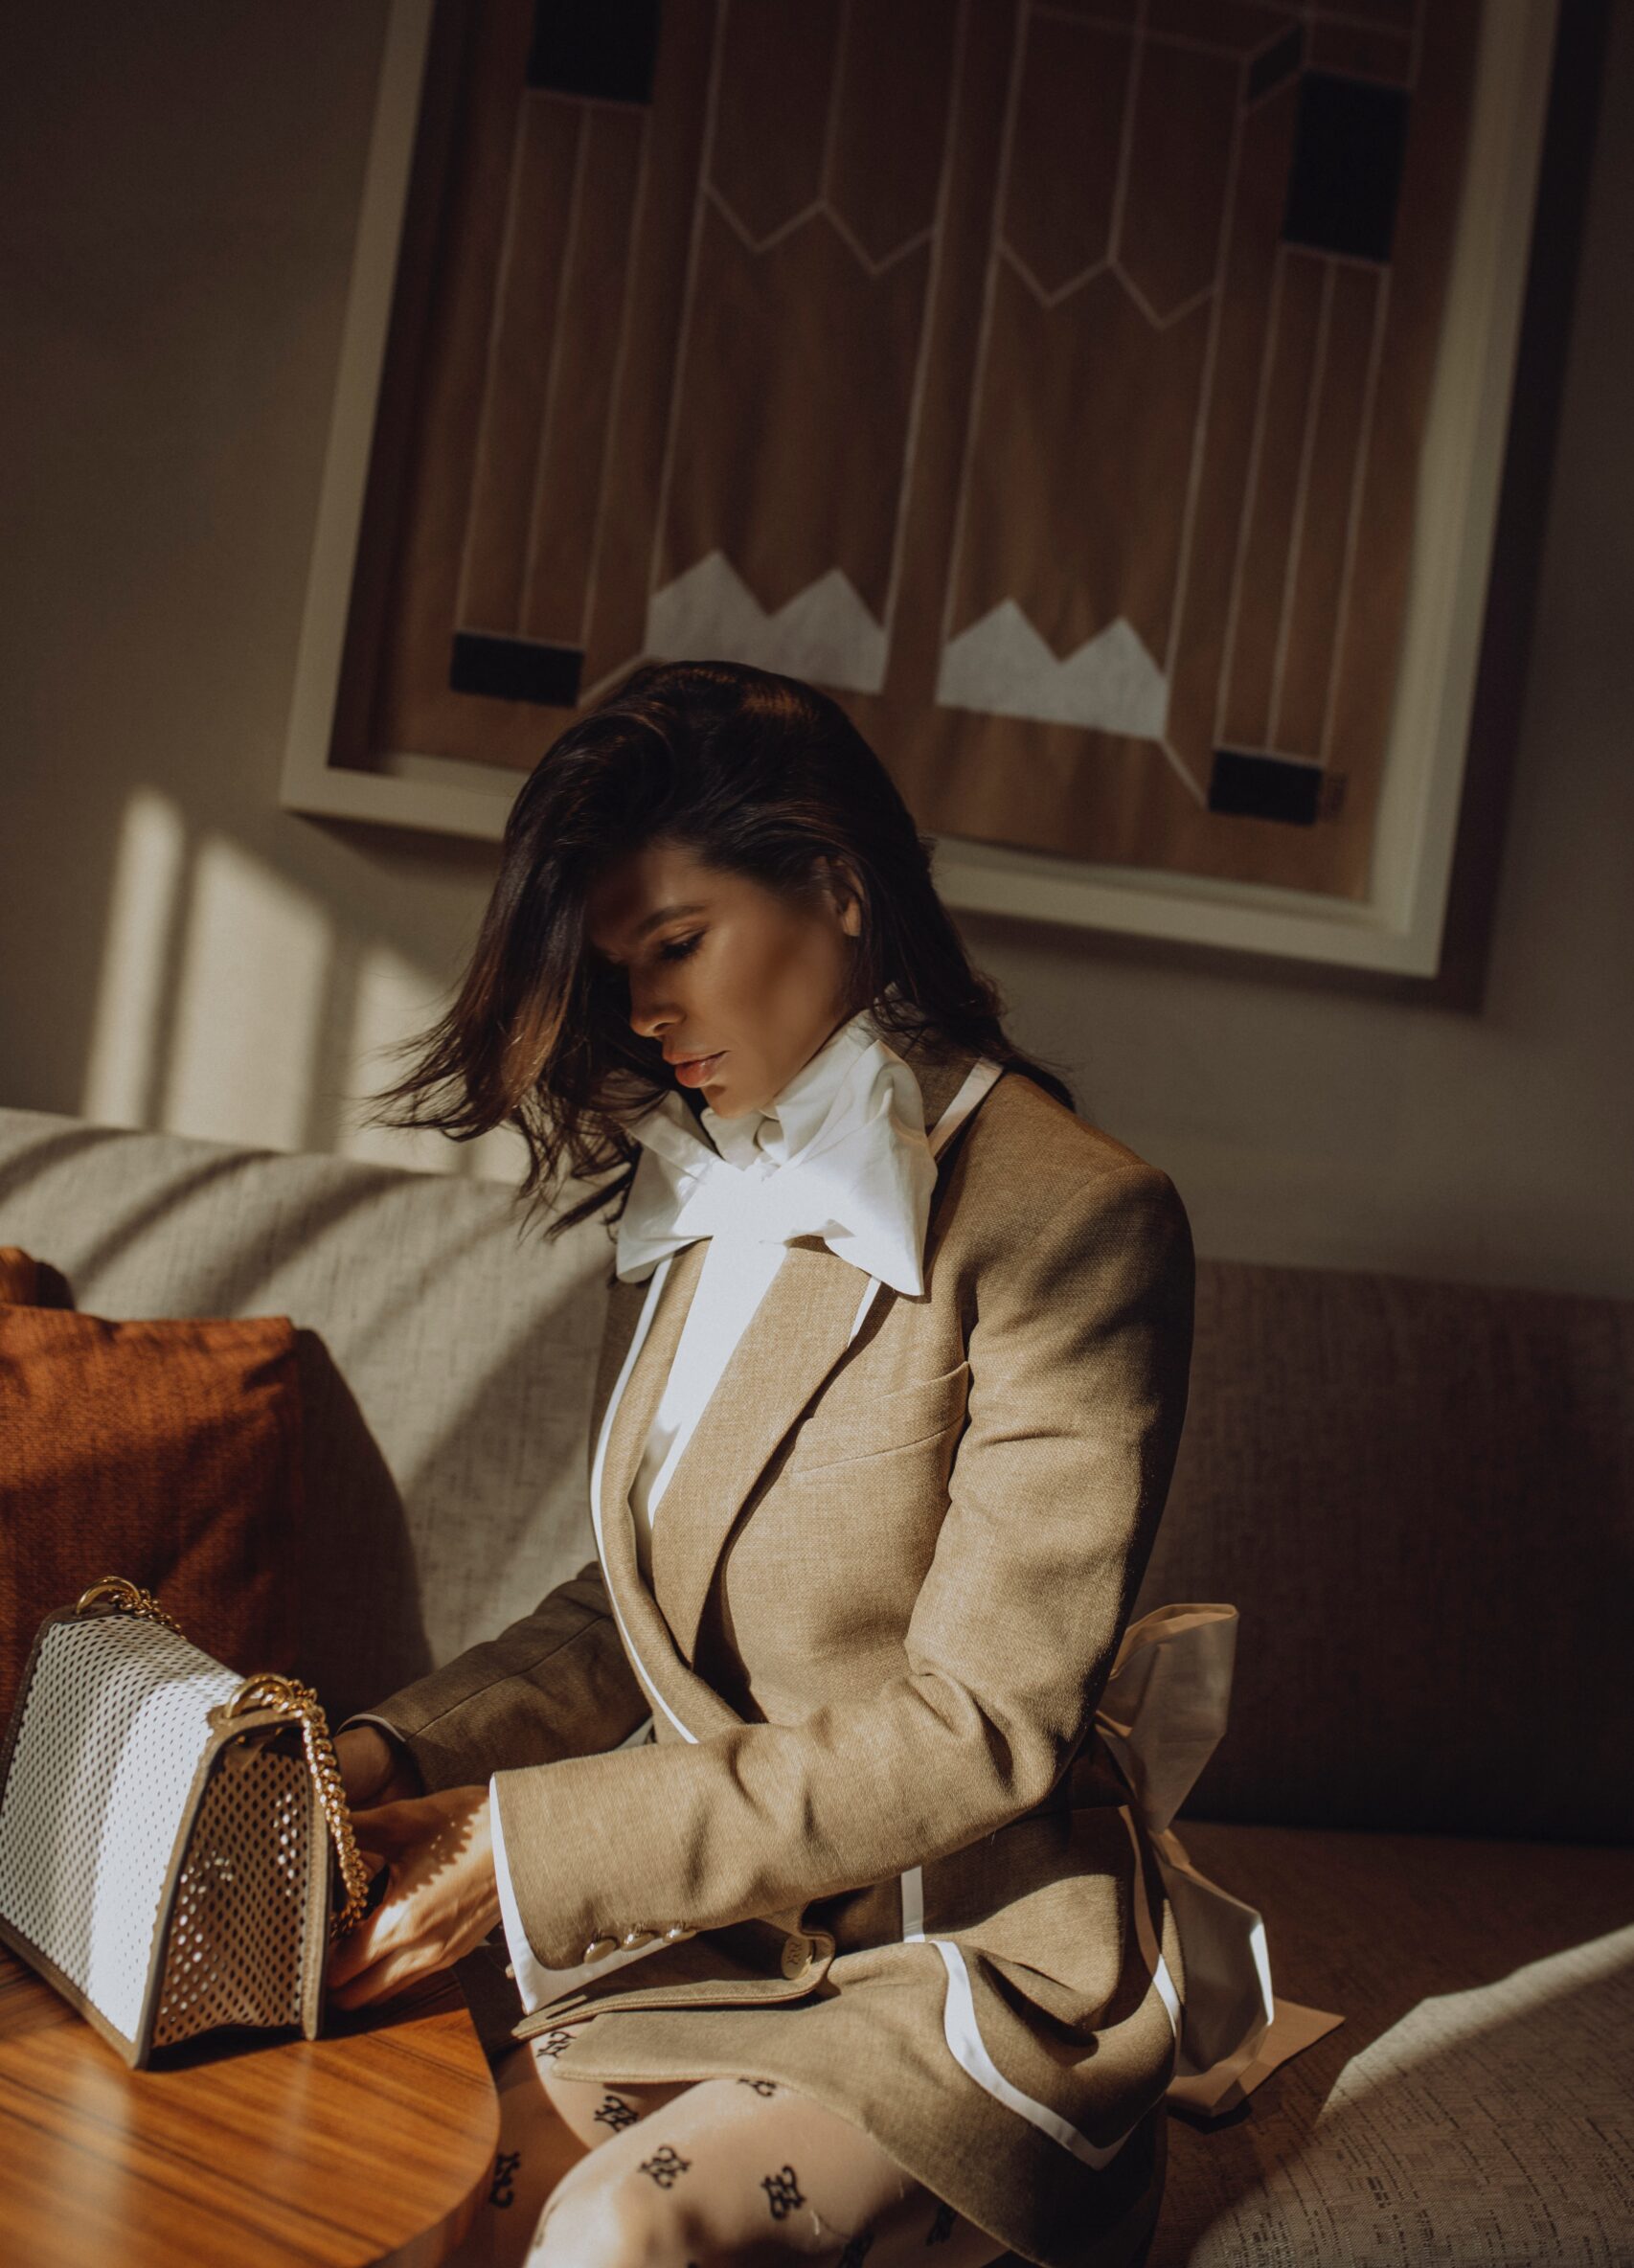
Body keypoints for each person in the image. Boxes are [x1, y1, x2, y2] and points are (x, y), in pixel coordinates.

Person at [324, 657, 1199, 2267]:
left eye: (674, 947)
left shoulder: (1077, 1221)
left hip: (955, 1958)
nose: (647, 1017)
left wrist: (520, 1850)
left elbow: (983, 1727)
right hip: (714, 1940)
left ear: (837, 886)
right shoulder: (694, 1203)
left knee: (608, 2236)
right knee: (397, 2182)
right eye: (618, 969)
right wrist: (379, 1762)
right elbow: (630, 1617)